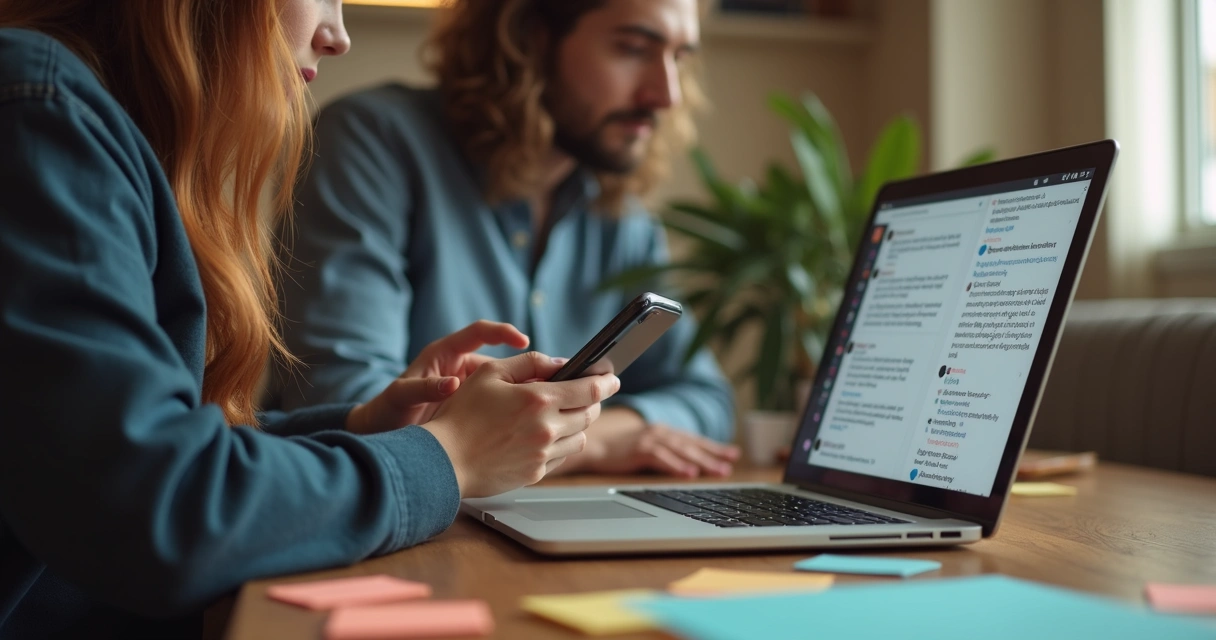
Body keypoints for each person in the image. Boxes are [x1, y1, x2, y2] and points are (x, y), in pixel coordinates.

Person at [0, 1, 616, 636]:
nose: (339, 35)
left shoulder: (87, 123)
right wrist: (450, 455)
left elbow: (141, 459)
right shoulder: (40, 110)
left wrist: (367, 427)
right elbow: (161, 513)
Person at [278, 0, 740, 479]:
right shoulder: (373, 142)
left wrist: (543, 440)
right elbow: (346, 403)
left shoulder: (620, 212)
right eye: (633, 48)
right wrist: (597, 444)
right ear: (529, 37)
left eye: (679, 57)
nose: (666, 95)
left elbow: (707, 399)